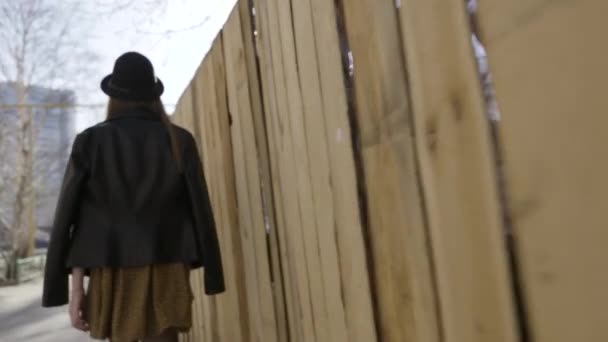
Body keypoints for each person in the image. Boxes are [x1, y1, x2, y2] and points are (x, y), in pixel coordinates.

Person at [42, 52, 225, 342]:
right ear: (153, 95)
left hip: (111, 272)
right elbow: (201, 211)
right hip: (169, 266)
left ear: (113, 96)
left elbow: (71, 218)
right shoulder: (179, 140)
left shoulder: (90, 141)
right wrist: (213, 274)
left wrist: (73, 289)